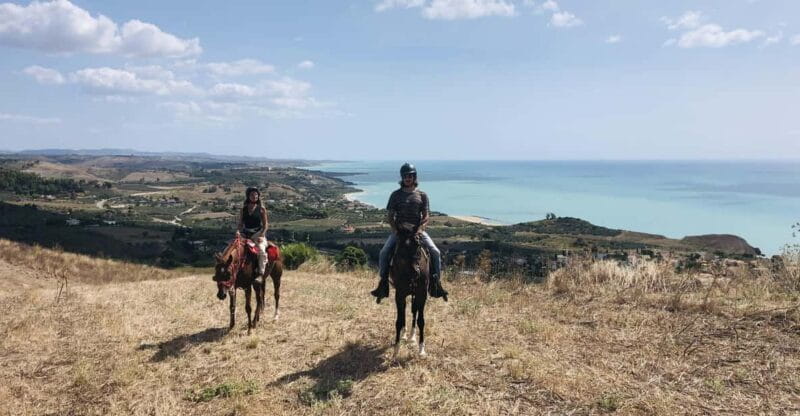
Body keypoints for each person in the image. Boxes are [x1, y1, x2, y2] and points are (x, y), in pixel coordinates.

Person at [371, 163, 448, 302]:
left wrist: (420, 229)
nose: (408, 178)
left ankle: (436, 283)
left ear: (414, 177)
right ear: (402, 177)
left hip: (417, 232)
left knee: (435, 252)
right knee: (384, 253)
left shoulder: (422, 195)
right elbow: (390, 216)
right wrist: (395, 230)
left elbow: (426, 216)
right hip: (400, 232)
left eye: (410, 176)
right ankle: (383, 284)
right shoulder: (395, 195)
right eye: (405, 176)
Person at [237, 187, 269, 276]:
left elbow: (266, 225)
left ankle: (261, 273)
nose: (254, 196)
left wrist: (262, 236)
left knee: (262, 251)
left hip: (257, 234)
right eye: (252, 194)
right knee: (234, 248)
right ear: (248, 196)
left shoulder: (262, 209)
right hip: (245, 234)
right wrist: (238, 231)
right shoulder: (243, 209)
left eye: (256, 194)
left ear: (258, 196)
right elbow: (240, 223)